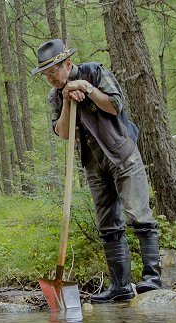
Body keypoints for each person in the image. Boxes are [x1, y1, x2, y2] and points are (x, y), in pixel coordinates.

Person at [31, 39, 162, 303]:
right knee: (108, 225)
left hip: (122, 155)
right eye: (45, 74)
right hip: (93, 163)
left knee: (139, 215)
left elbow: (115, 106)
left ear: (67, 64)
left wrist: (87, 88)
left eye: (53, 71)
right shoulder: (55, 96)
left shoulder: (95, 72)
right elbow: (64, 133)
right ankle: (120, 287)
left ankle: (152, 279)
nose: (50, 78)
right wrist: (67, 100)